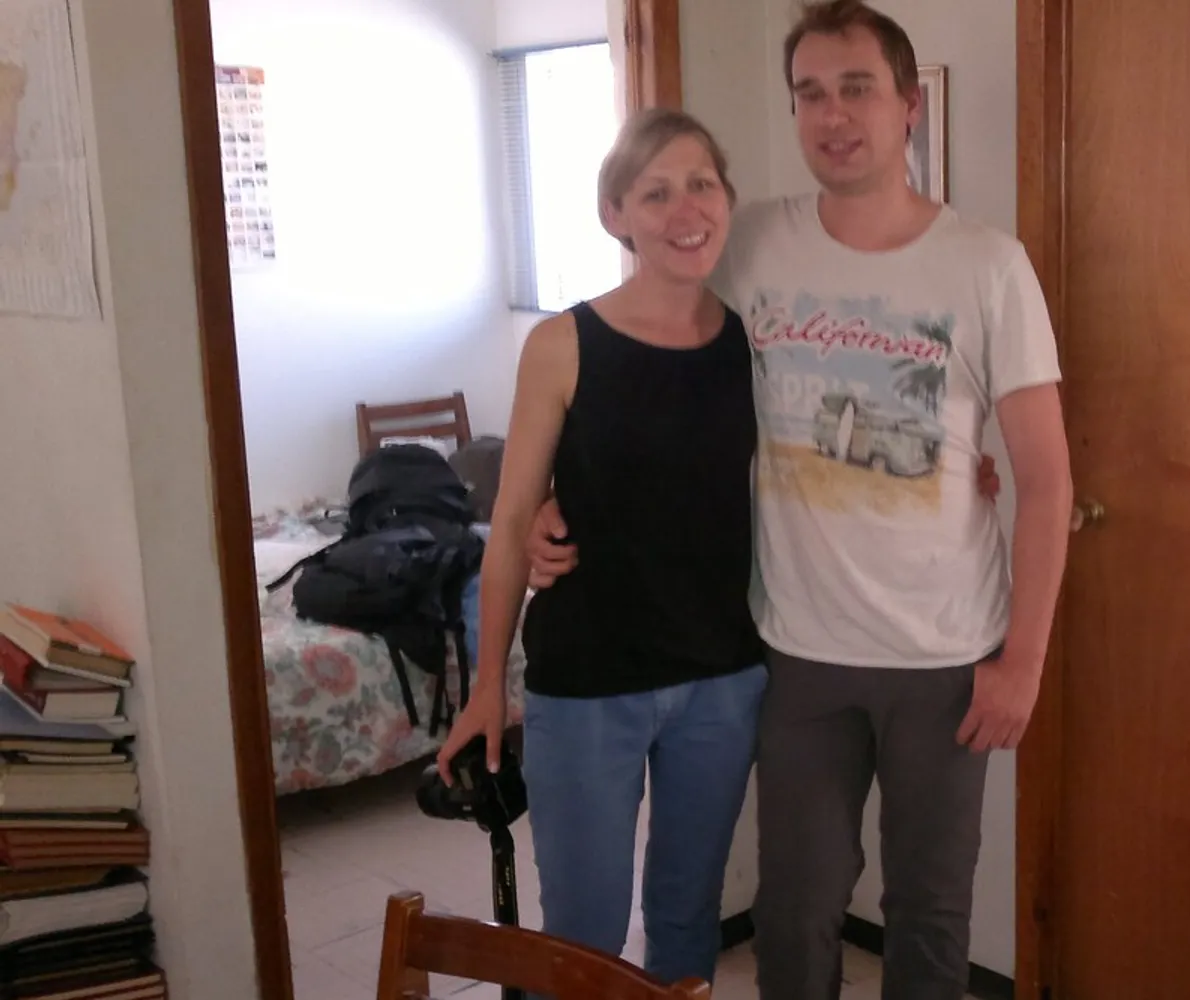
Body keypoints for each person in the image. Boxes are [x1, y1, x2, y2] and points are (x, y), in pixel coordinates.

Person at [529, 2, 1073, 997]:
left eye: (857, 88)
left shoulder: (990, 266)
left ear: (908, 105)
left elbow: (1044, 479)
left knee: (929, 915)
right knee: (793, 911)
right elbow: (638, 360)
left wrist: (1024, 661)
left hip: (945, 656)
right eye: (810, 93)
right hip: (796, 652)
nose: (833, 114)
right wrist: (547, 497)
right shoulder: (750, 243)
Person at [434, 108, 767, 986]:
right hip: (587, 685)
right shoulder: (562, 345)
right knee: (582, 938)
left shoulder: (751, 342)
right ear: (615, 214)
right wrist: (485, 685)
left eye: (701, 184)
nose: (685, 210)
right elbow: (512, 520)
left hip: (721, 679)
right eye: (655, 193)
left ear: (727, 199)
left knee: (687, 919)